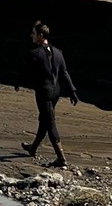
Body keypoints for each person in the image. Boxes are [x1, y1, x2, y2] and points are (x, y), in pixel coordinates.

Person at [17, 21, 79, 167]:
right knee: (44, 118)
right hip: (56, 91)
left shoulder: (34, 54)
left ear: (40, 35)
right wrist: (72, 91)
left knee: (49, 122)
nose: (31, 35)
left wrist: (18, 81)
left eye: (33, 33)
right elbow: (64, 73)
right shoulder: (58, 52)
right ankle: (33, 148)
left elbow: (26, 71)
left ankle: (61, 158)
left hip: (43, 92)